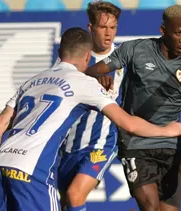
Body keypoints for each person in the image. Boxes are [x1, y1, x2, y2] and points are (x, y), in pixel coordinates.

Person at [0, 27, 181, 211]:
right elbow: (127, 123)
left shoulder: (31, 82)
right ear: (88, 57)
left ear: (59, 53)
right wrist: (166, 130)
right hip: (32, 172)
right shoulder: (83, 82)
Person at [85, 4, 181, 211]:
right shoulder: (135, 49)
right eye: (178, 33)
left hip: (170, 148)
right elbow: (90, 71)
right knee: (150, 206)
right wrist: (96, 75)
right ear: (163, 30)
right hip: (136, 143)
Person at [56, 1, 124, 210]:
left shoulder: (124, 59)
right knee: (66, 203)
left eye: (112, 28)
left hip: (101, 144)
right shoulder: (76, 57)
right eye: (103, 27)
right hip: (69, 145)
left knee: (75, 194)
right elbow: (57, 85)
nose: (108, 33)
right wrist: (90, 76)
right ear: (91, 28)